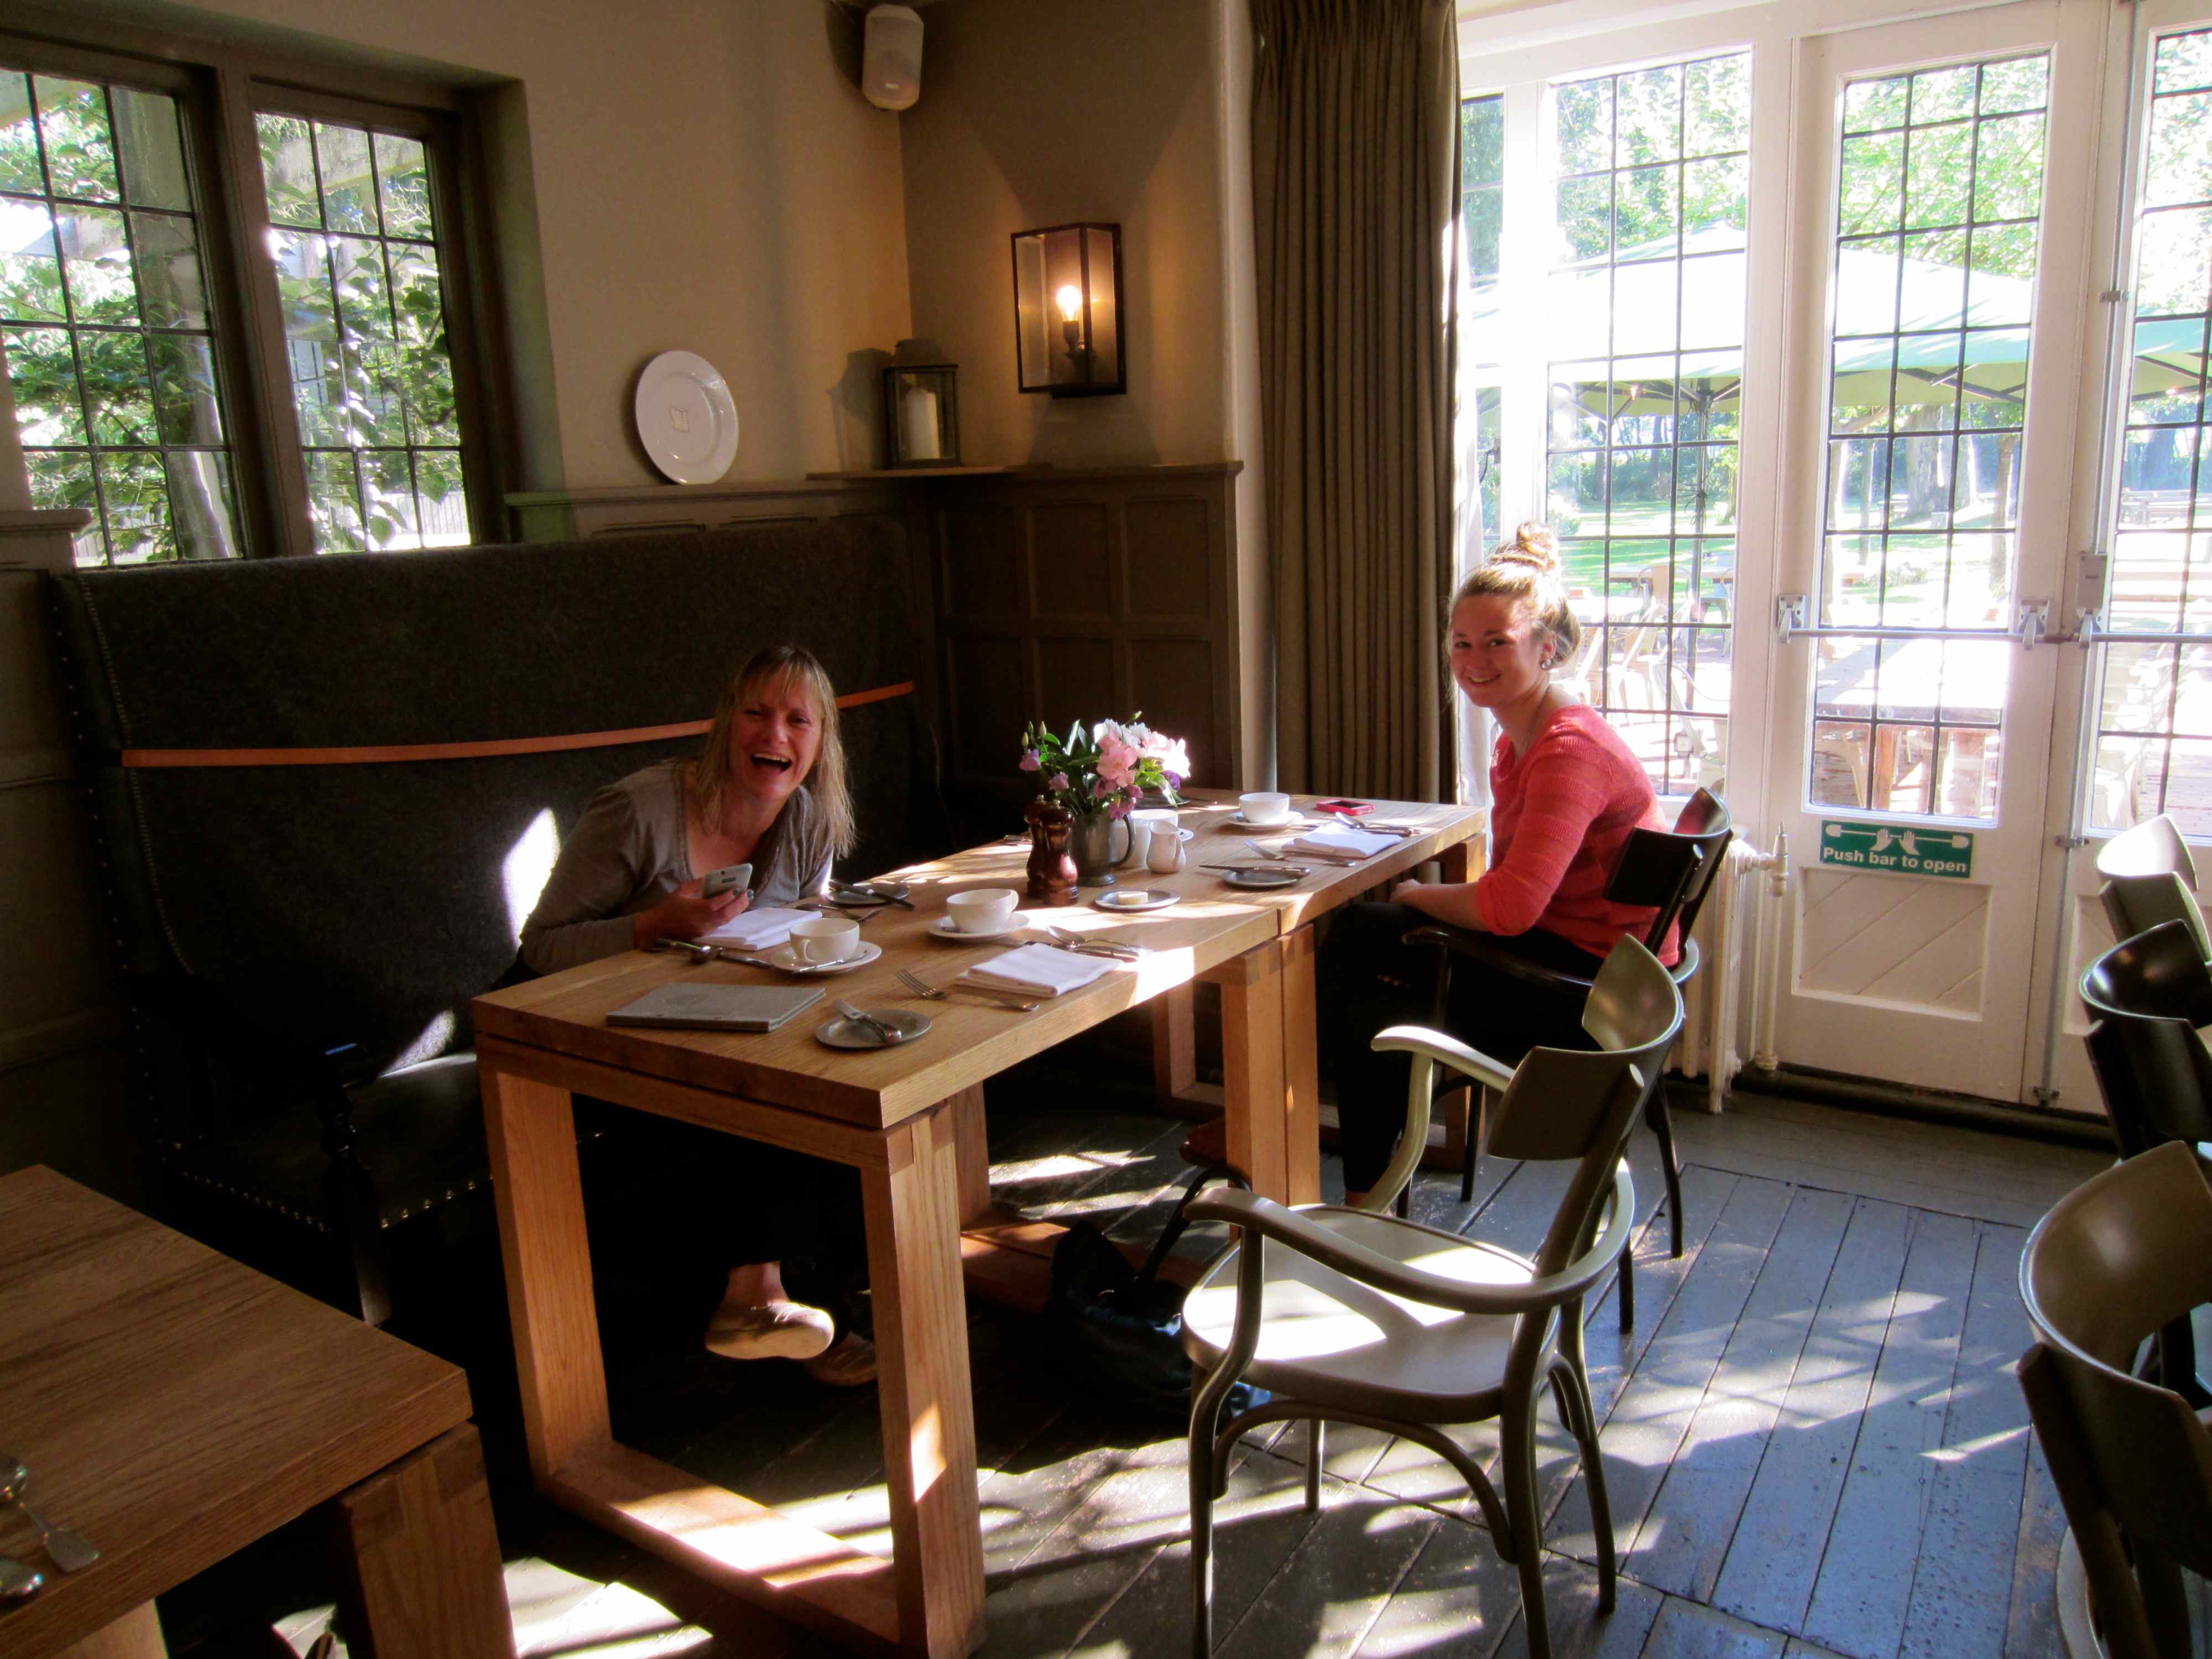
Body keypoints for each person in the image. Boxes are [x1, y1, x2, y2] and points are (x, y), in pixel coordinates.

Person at [519, 643, 875, 1385]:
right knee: (758, 1096)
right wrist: (651, 925)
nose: (775, 734)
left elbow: (801, 925)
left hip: (708, 1016)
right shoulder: (639, 810)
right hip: (583, 1038)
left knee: (840, 1071)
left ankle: (815, 1301)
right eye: (756, 713)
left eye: (798, 720)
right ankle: (763, 1303)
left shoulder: (807, 816)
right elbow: (540, 947)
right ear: (724, 724)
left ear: (820, 742)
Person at [1323, 523, 1677, 1206]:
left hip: (1592, 1000)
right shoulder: (1525, 738)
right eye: (1461, 643)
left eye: (1497, 642)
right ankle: (1362, 1156)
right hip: (1587, 961)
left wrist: (1416, 896)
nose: (1474, 660)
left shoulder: (1568, 752)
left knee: (1369, 992)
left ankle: (1359, 1188)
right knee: (1364, 944)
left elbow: (1511, 908)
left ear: (1548, 649)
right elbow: (1516, 894)